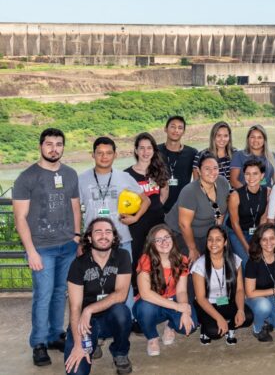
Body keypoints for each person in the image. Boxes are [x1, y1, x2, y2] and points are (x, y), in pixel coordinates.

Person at [13, 128, 81, 366]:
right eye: (49, 144)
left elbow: (75, 207)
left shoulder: (70, 174)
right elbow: (20, 218)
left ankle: (54, 335)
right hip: (41, 248)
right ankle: (39, 342)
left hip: (67, 245)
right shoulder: (27, 177)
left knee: (60, 293)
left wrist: (76, 236)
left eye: (59, 144)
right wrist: (31, 251)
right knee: (43, 295)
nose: (54, 149)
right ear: (40, 146)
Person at [79, 137, 149, 315]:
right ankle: (96, 319)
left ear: (115, 155)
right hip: (93, 242)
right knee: (93, 282)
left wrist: (135, 218)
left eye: (108, 153)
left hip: (121, 239)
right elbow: (73, 208)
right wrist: (79, 237)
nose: (104, 157)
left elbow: (146, 200)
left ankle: (128, 319)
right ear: (93, 155)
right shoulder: (81, 179)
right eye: (100, 153)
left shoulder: (124, 177)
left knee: (124, 283)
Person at [63, 218, 133, 375]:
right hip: (85, 323)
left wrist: (89, 309)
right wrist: (78, 345)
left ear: (114, 237)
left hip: (110, 317)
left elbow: (121, 294)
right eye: (98, 232)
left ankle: (120, 352)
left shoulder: (122, 256)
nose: (104, 236)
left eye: (108, 232)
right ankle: (92, 342)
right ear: (89, 237)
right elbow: (75, 307)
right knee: (76, 372)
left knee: (122, 312)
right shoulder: (78, 265)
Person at [132, 225, 195, 357]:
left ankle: (169, 326)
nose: (164, 242)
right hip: (151, 303)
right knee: (145, 308)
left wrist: (184, 310)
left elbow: (181, 291)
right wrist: (177, 307)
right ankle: (152, 338)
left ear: (172, 239)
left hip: (172, 299)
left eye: (167, 237)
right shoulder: (146, 259)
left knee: (189, 326)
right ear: (152, 244)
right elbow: (145, 293)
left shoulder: (182, 259)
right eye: (158, 240)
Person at [191, 226, 254, 345]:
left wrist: (240, 310)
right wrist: (219, 318)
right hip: (207, 303)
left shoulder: (235, 260)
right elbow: (201, 298)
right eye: (210, 239)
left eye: (218, 239)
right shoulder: (199, 265)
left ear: (225, 242)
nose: (213, 243)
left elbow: (240, 290)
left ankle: (230, 328)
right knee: (214, 332)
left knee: (248, 317)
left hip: (226, 300)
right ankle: (205, 328)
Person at [166, 154, 231, 264]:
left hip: (206, 233)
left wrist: (217, 235)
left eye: (215, 168)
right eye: (207, 169)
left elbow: (221, 212)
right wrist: (192, 249)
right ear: (199, 171)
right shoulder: (190, 191)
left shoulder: (222, 182)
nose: (212, 172)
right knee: (193, 263)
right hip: (181, 233)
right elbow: (184, 224)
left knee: (223, 256)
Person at [124, 132, 169, 287]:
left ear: (154, 150)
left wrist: (156, 207)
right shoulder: (127, 174)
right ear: (136, 150)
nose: (145, 152)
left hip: (157, 222)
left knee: (158, 257)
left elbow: (164, 193)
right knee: (137, 258)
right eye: (142, 148)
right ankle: (137, 290)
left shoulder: (159, 170)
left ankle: (158, 288)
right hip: (136, 225)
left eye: (149, 148)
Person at [227, 159, 269, 266]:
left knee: (263, 259)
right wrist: (246, 247)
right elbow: (235, 224)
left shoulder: (268, 192)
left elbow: (264, 218)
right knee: (247, 262)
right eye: (247, 174)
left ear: (262, 175)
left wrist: (258, 240)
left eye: (255, 174)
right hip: (237, 232)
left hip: (256, 231)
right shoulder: (235, 196)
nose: (251, 177)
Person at [158, 116, 197, 213]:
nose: (176, 130)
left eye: (180, 128)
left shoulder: (192, 153)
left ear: (183, 132)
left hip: (183, 206)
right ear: (165, 129)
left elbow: (197, 180)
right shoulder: (155, 151)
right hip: (159, 205)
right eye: (173, 126)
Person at [230, 124, 275, 189]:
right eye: (252, 137)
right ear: (248, 139)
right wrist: (248, 193)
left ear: (264, 140)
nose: (256, 140)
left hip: (267, 194)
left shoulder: (272, 157)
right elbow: (233, 181)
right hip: (244, 194)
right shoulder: (238, 155)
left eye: (259, 137)